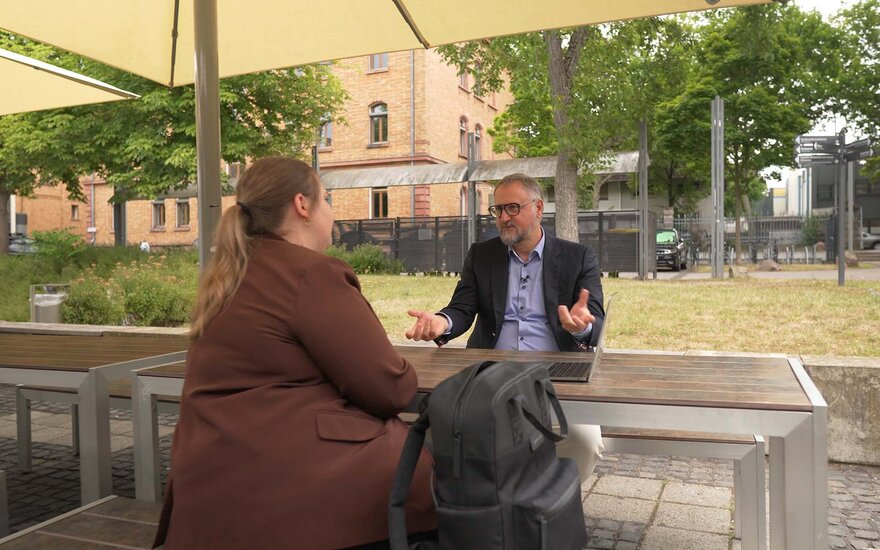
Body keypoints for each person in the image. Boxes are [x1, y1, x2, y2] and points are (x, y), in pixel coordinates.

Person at [155, 157, 436, 549]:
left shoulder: (231, 272)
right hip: (287, 490)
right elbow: (390, 389)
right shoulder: (309, 272)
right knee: (450, 468)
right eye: (327, 200)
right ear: (302, 205)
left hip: (210, 488)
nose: (332, 215)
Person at [405, 173, 605, 481]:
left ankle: (550, 505)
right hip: (489, 372)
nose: (503, 218)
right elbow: (462, 308)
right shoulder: (482, 255)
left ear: (538, 208)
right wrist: (441, 322)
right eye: (497, 210)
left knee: (585, 441)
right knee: (437, 425)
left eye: (512, 208)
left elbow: (594, 319)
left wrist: (580, 327)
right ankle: (477, 506)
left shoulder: (577, 257)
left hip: (557, 374)